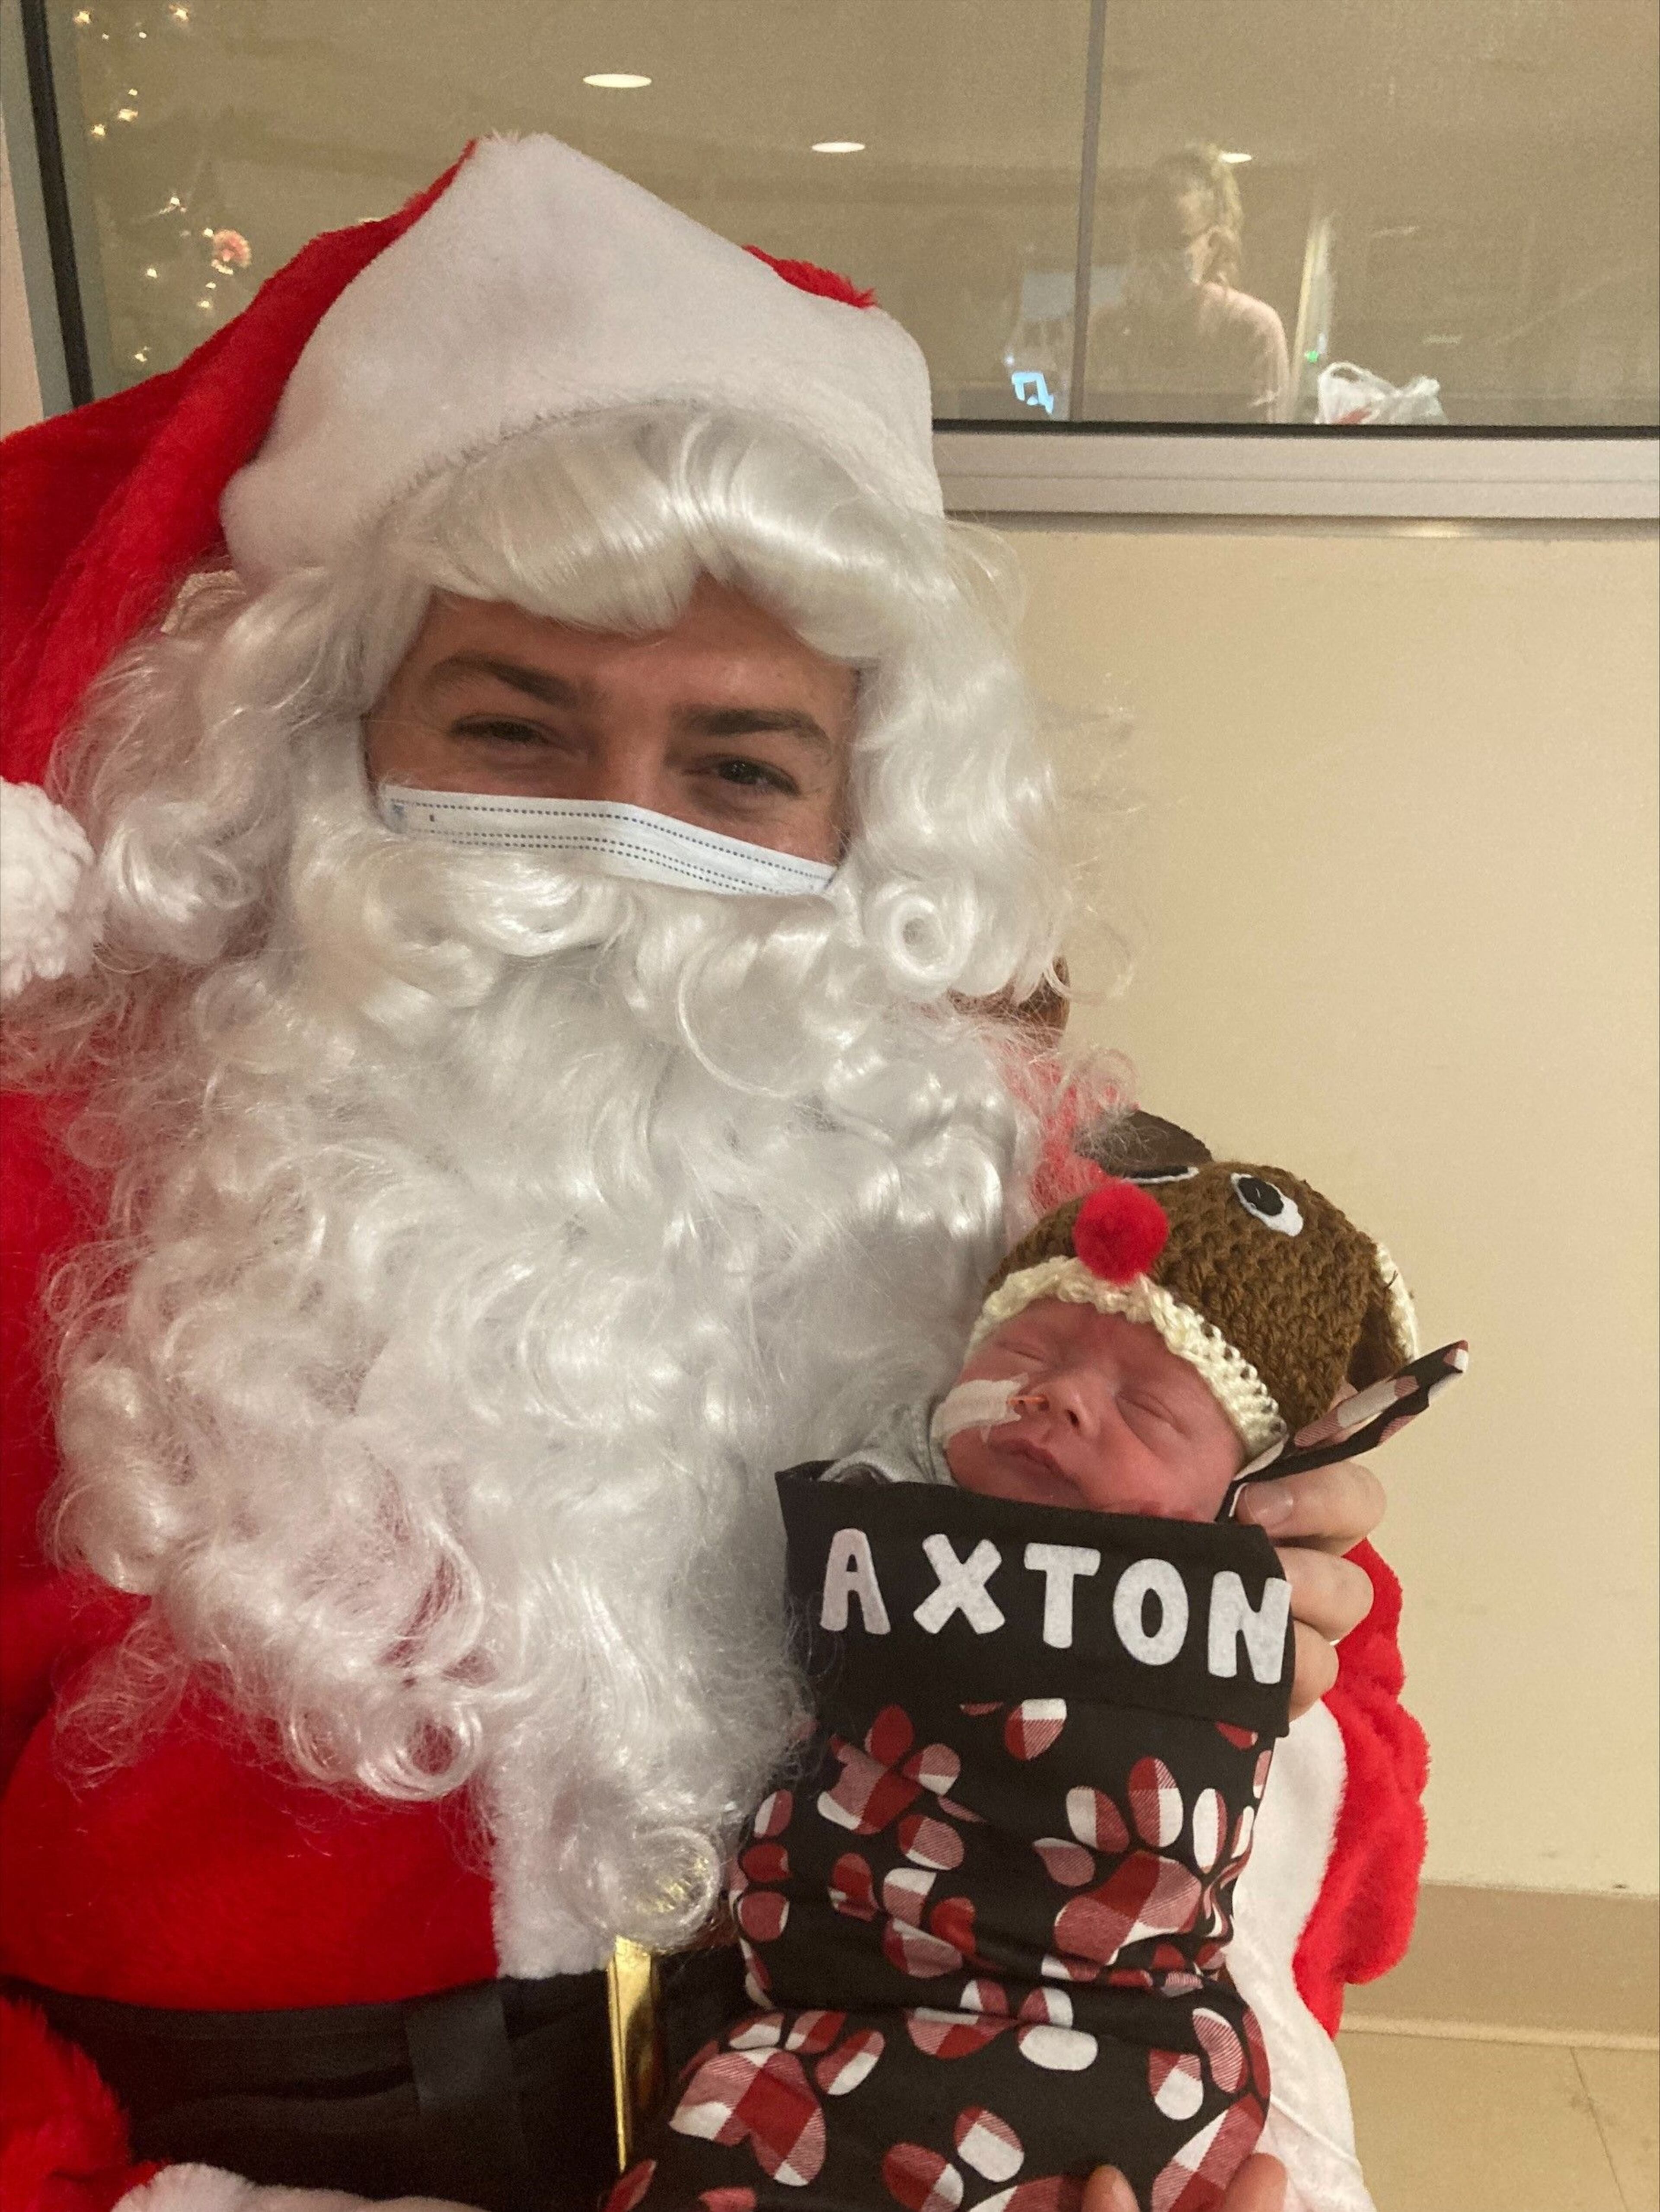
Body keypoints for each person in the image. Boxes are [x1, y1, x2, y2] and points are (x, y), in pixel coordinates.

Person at [0, 139, 1417, 2212]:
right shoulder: (63, 1184)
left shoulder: (1041, 1207)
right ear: (329, 741)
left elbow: (1331, 1818)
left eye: (738, 765)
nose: (617, 850)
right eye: (515, 726)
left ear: (868, 814)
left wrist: (1265, 1746)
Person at [612, 1154, 1462, 2212]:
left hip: (1121, 2056)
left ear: (1250, 1488)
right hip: (828, 2012)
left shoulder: (1277, 1580)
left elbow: (1340, 1907)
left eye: (1147, 1411)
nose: (1055, 1397)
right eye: (1024, 1352)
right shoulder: (871, 1497)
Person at [1089, 147, 1290, 425]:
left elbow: (1257, 458)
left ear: (1213, 244)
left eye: (1173, 241)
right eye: (1146, 240)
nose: (1155, 255)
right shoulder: (1109, 329)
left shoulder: (1252, 330)